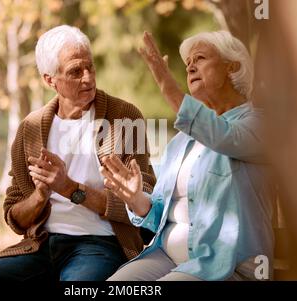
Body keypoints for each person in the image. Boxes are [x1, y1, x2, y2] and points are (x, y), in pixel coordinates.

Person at [0, 25, 156, 281]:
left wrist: (69, 188)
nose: (88, 78)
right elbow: (14, 217)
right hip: (39, 247)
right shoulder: (30, 128)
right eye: (76, 71)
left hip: (101, 245)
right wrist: (40, 195)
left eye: (90, 67)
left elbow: (147, 199)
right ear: (49, 79)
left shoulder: (124, 117)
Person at [103, 31, 276, 281]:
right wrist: (136, 199)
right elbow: (160, 214)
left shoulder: (258, 125)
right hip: (166, 257)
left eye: (200, 58)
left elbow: (222, 136)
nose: (191, 66)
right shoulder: (182, 141)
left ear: (232, 67)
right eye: (188, 64)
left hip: (227, 265)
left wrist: (166, 84)